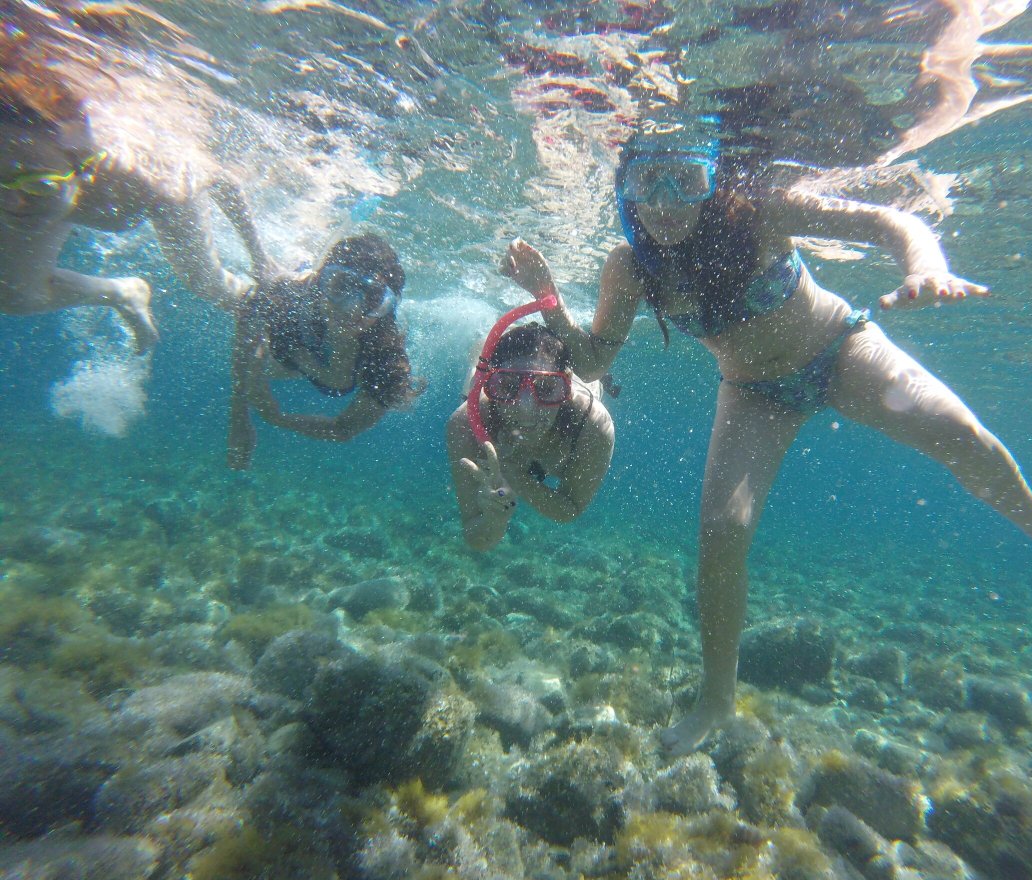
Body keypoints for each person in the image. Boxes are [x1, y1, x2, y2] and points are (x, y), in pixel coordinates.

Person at [501, 127, 1032, 756]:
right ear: (624, 191)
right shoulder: (629, 269)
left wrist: (926, 267)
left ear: (713, 179)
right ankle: (718, 698)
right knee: (721, 532)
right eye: (649, 181)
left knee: (961, 434)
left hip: (840, 349)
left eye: (687, 179)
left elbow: (890, 224)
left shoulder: (764, 212)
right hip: (753, 391)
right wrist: (547, 297)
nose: (667, 201)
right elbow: (587, 362)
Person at [0, 7, 275, 353]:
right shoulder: (20, 185)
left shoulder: (145, 175)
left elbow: (222, 179)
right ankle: (122, 293)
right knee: (15, 295)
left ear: (85, 164)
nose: (8, 206)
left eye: (39, 184)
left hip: (155, 204)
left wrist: (260, 257)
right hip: (62, 197)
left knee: (207, 284)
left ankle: (271, 321)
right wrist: (36, 187)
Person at [227, 234, 423, 469]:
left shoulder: (383, 360)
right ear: (322, 282)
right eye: (342, 286)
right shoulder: (291, 306)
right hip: (294, 341)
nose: (353, 308)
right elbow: (248, 319)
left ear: (385, 308)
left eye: (372, 298)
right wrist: (239, 415)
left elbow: (344, 428)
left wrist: (278, 419)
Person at [447, 317, 615, 551]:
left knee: (592, 374)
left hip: (581, 386)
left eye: (546, 388)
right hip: (485, 393)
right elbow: (475, 539)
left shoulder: (591, 423)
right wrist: (495, 519)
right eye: (507, 386)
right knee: (476, 369)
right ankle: (482, 352)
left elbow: (569, 509)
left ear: (565, 387)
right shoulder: (466, 422)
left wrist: (514, 475)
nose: (526, 408)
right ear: (492, 384)